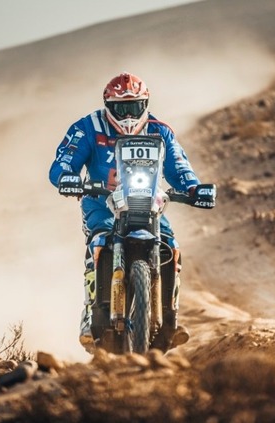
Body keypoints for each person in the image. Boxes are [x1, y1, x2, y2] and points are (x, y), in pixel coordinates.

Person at [49, 72, 201, 350]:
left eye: (134, 106)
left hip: (147, 201)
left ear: (146, 104)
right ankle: (90, 313)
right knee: (99, 241)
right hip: (102, 201)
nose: (128, 115)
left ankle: (170, 316)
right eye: (121, 108)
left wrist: (193, 187)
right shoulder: (87, 127)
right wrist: (66, 177)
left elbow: (179, 166)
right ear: (108, 105)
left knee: (171, 245)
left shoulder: (160, 131)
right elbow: (64, 160)